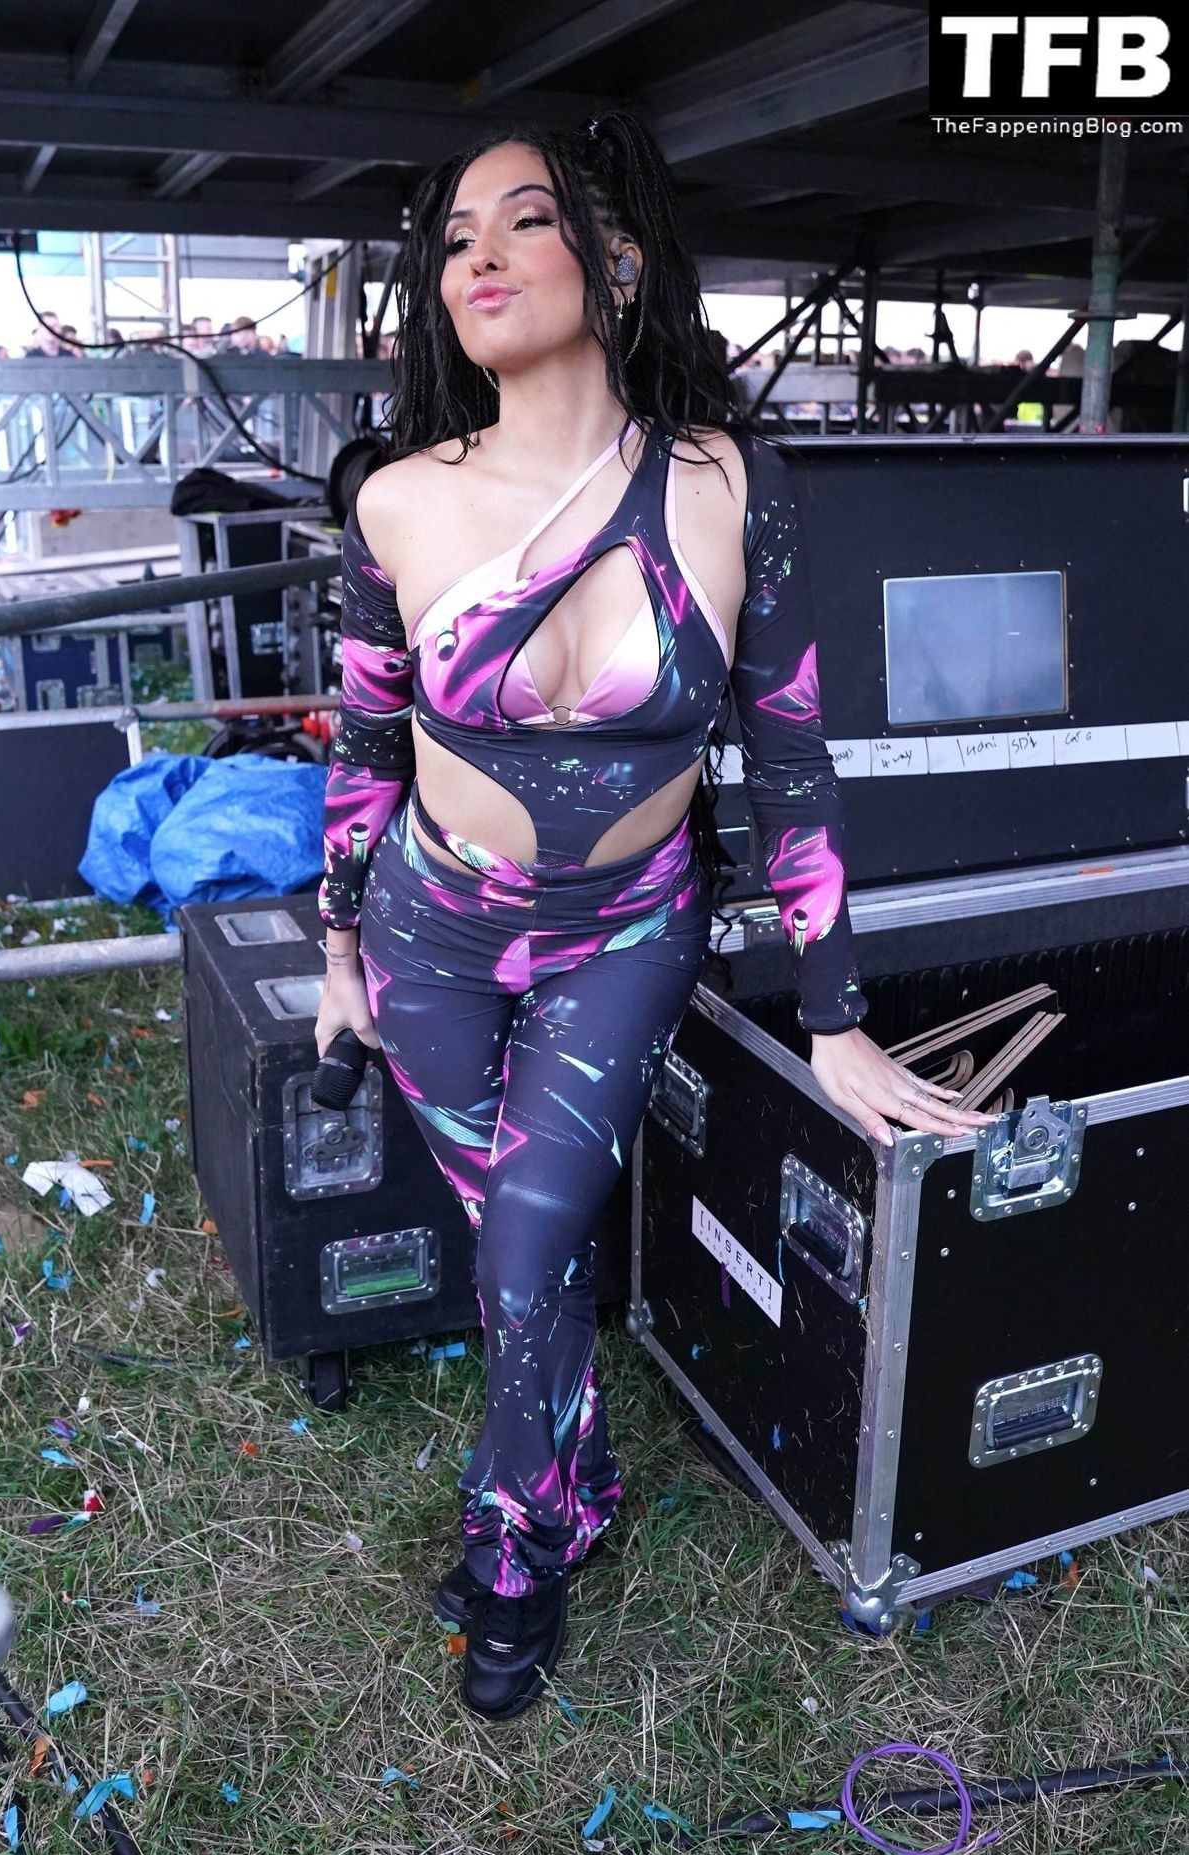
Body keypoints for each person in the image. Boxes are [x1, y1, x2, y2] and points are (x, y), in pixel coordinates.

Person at [312, 111, 990, 1723]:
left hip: (623, 933)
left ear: (615, 263)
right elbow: (359, 749)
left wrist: (832, 1015)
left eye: (521, 221)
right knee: (524, 1249)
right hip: (427, 933)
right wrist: (335, 951)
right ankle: (587, 1478)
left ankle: (514, 1542)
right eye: (453, 238)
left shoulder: (726, 485)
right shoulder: (395, 501)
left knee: (525, 1241)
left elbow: (789, 754)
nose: (478, 259)